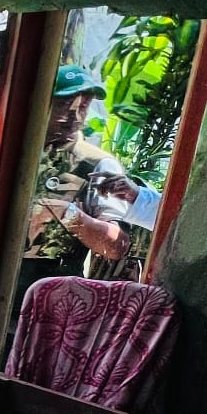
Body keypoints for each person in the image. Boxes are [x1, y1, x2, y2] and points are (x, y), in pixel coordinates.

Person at [20, 64, 132, 298]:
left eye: (83, 106)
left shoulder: (98, 166)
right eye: (62, 104)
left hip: (55, 299)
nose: (74, 116)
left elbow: (116, 246)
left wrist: (68, 215)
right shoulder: (13, 152)